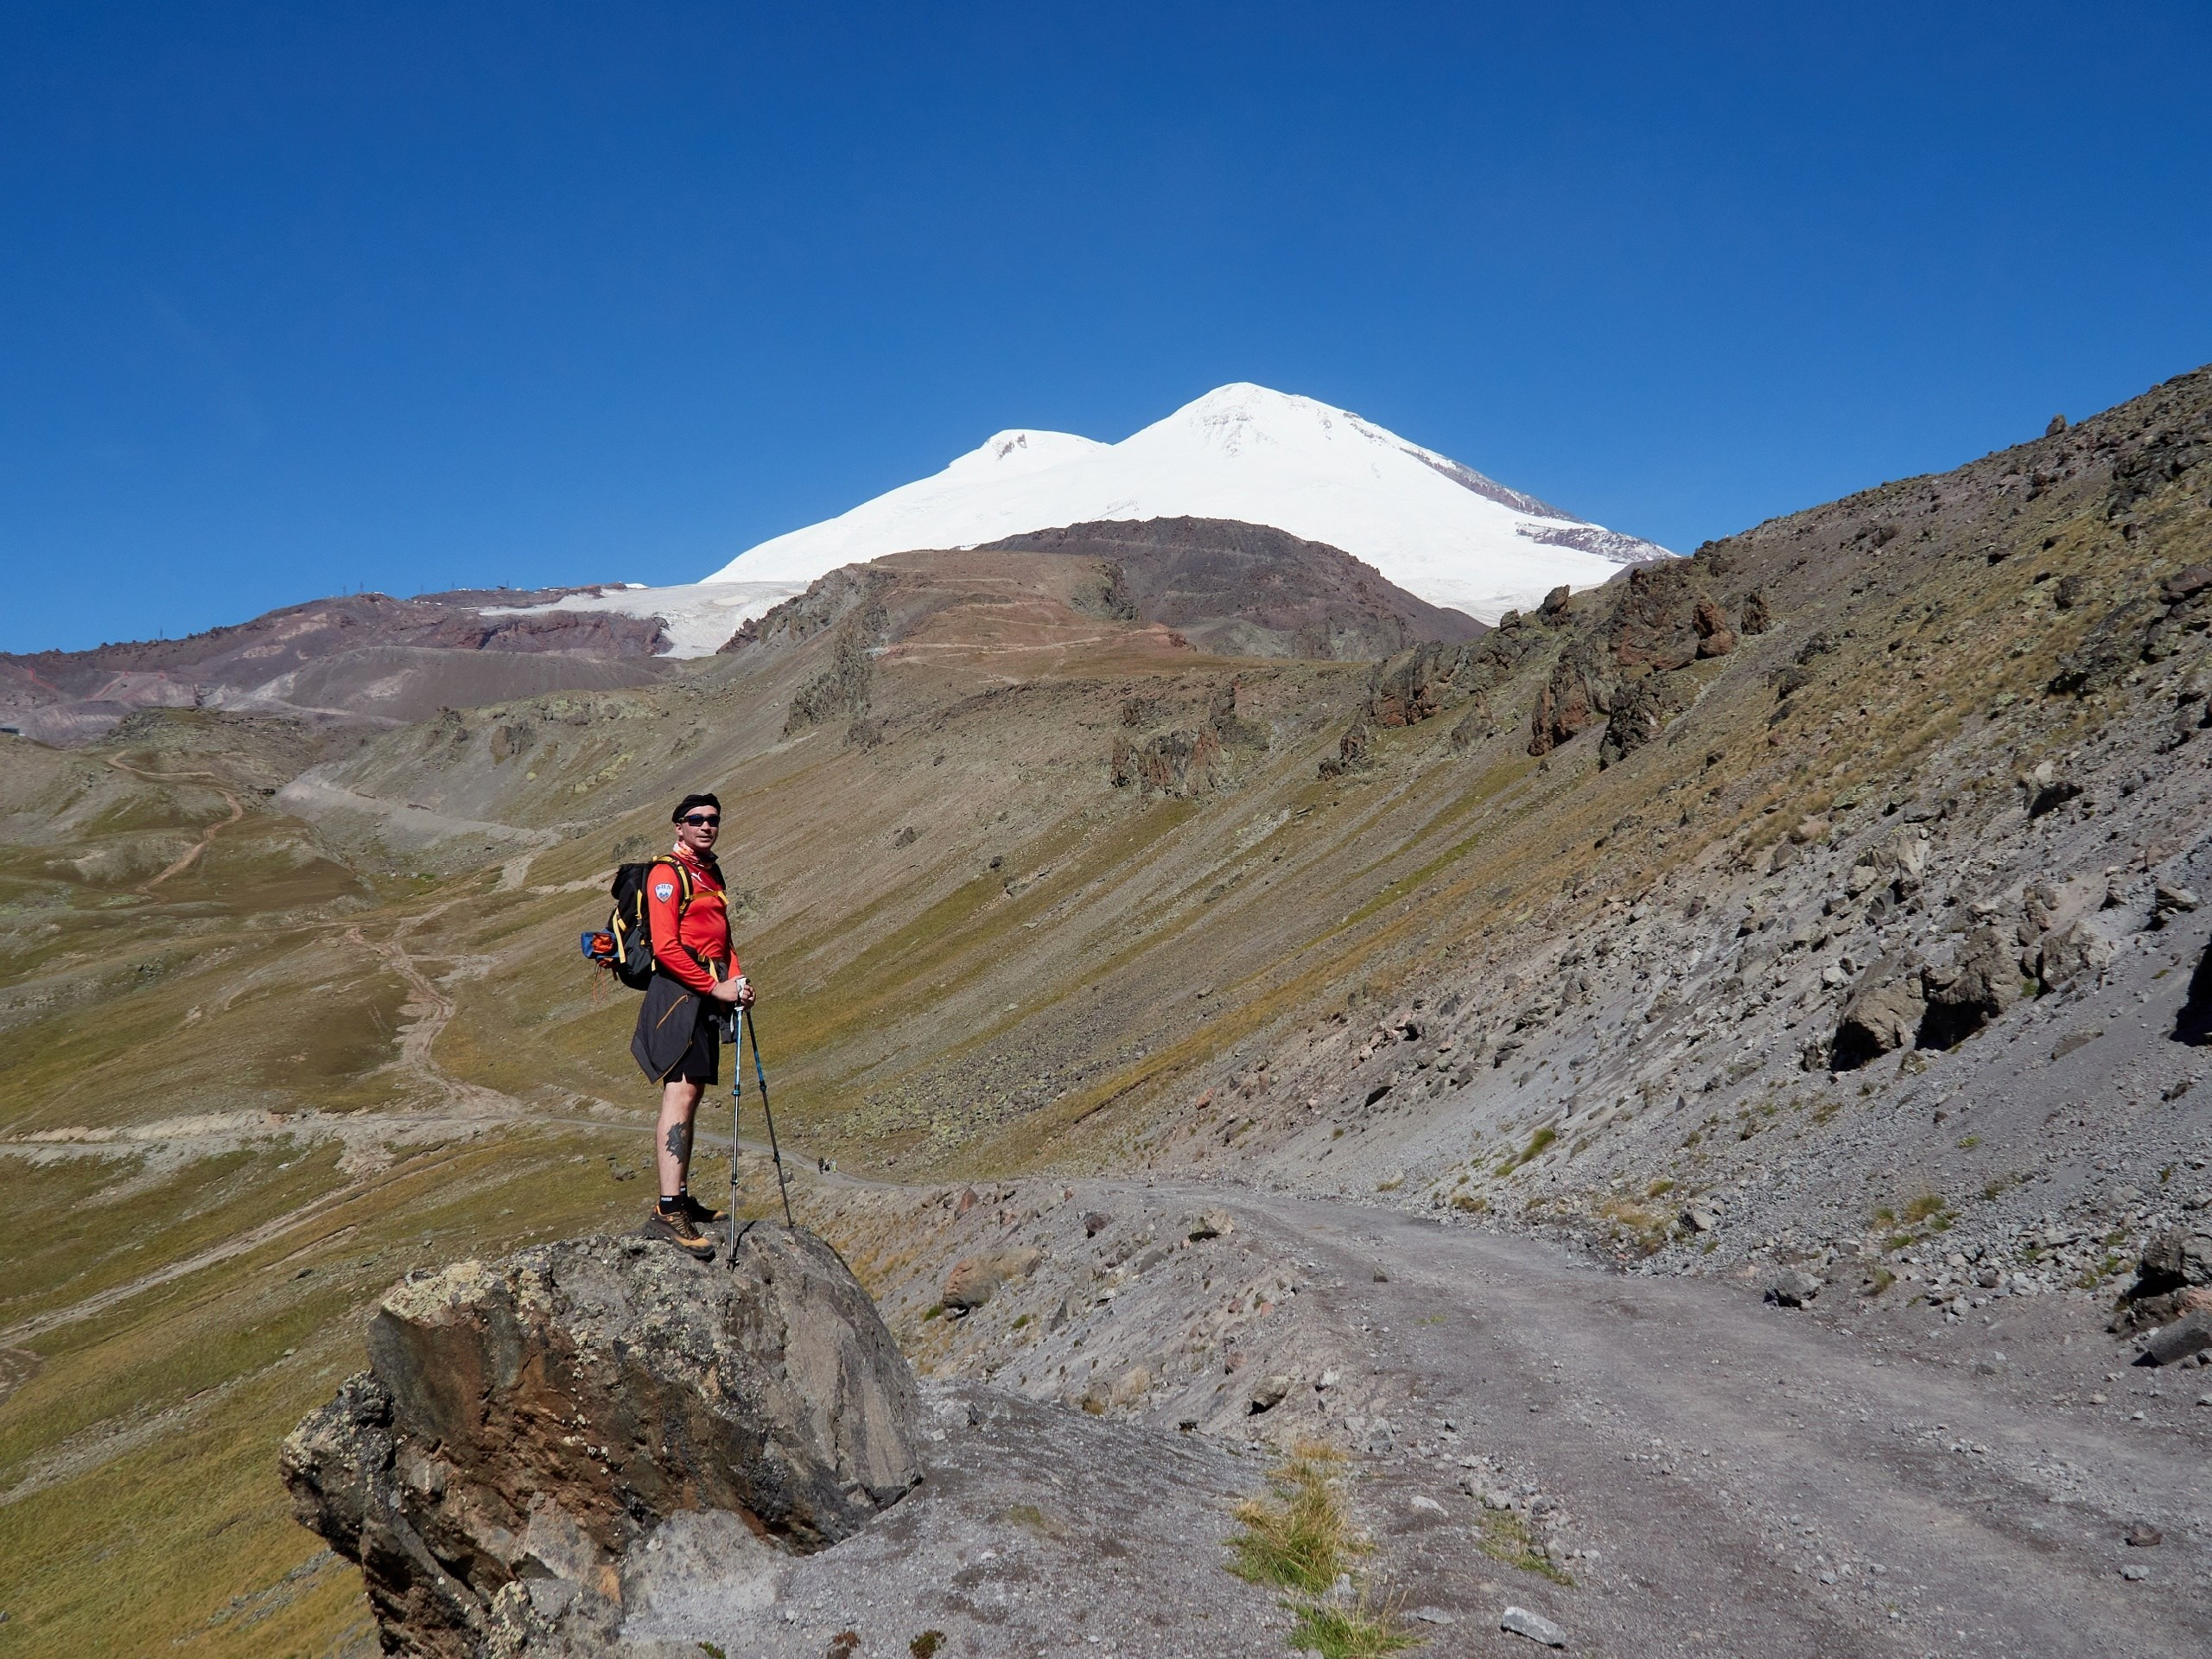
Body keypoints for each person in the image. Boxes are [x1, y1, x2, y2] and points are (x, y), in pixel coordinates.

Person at [629, 791, 754, 1259]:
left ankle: (680, 1198)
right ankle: (668, 1210)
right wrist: (714, 986)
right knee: (680, 1093)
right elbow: (665, 947)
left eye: (713, 819)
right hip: (677, 996)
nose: (706, 825)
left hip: (704, 992)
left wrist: (736, 980)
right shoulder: (667, 873)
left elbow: (722, 937)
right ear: (678, 826)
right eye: (696, 819)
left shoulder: (709, 872)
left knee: (692, 1092)